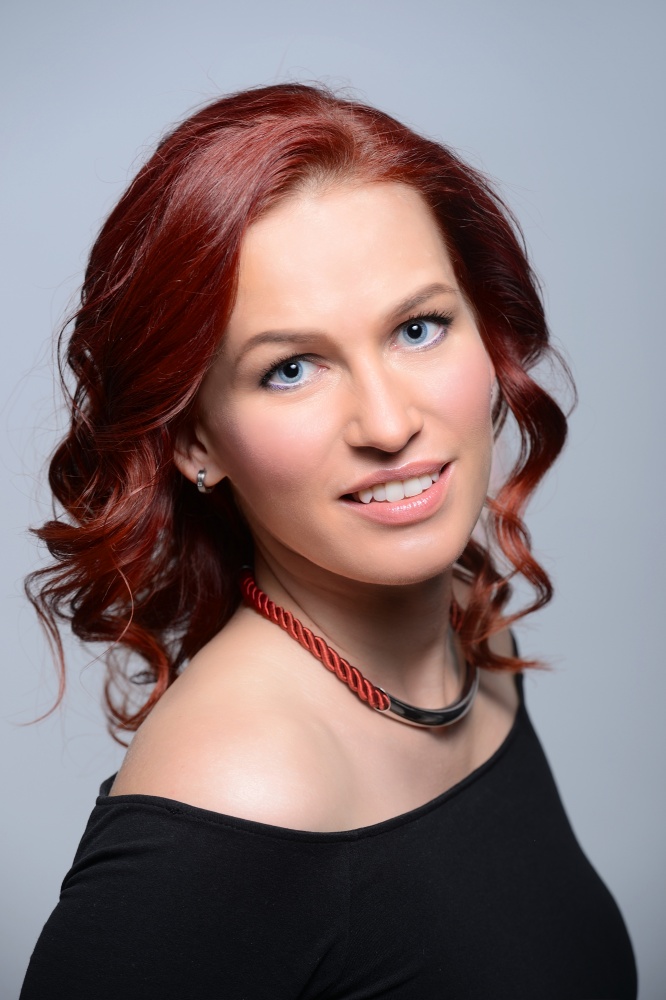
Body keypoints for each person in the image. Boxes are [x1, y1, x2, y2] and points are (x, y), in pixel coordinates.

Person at [20, 83, 637, 998]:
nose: (388, 423)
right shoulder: (237, 786)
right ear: (193, 440)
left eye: (419, 328)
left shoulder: (469, 630)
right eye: (290, 369)